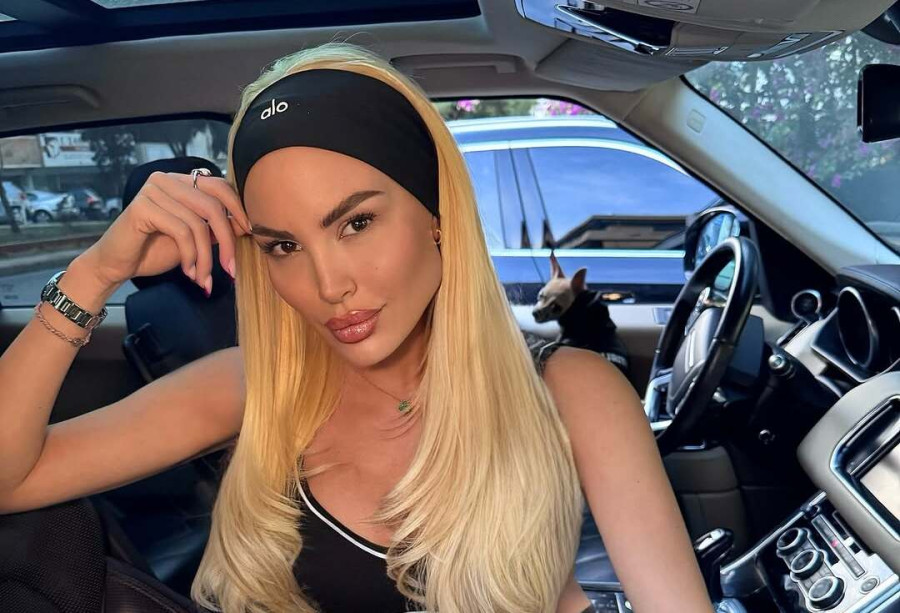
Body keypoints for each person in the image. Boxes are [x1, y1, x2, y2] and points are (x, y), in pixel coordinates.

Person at [0, 42, 713, 613]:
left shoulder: (572, 391)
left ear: (436, 214)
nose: (328, 284)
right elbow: (10, 478)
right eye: (284, 245)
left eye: (356, 223)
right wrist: (96, 271)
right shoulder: (256, 388)